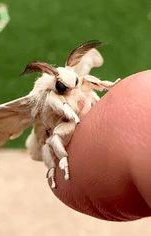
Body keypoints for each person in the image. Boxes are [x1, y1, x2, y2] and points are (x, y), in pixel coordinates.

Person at [51, 70, 151, 221]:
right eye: (65, 87)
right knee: (54, 139)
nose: (72, 90)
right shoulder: (51, 97)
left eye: (75, 83)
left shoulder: (79, 85)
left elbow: (83, 80)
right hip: (63, 132)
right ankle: (61, 164)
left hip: (89, 133)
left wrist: (109, 86)